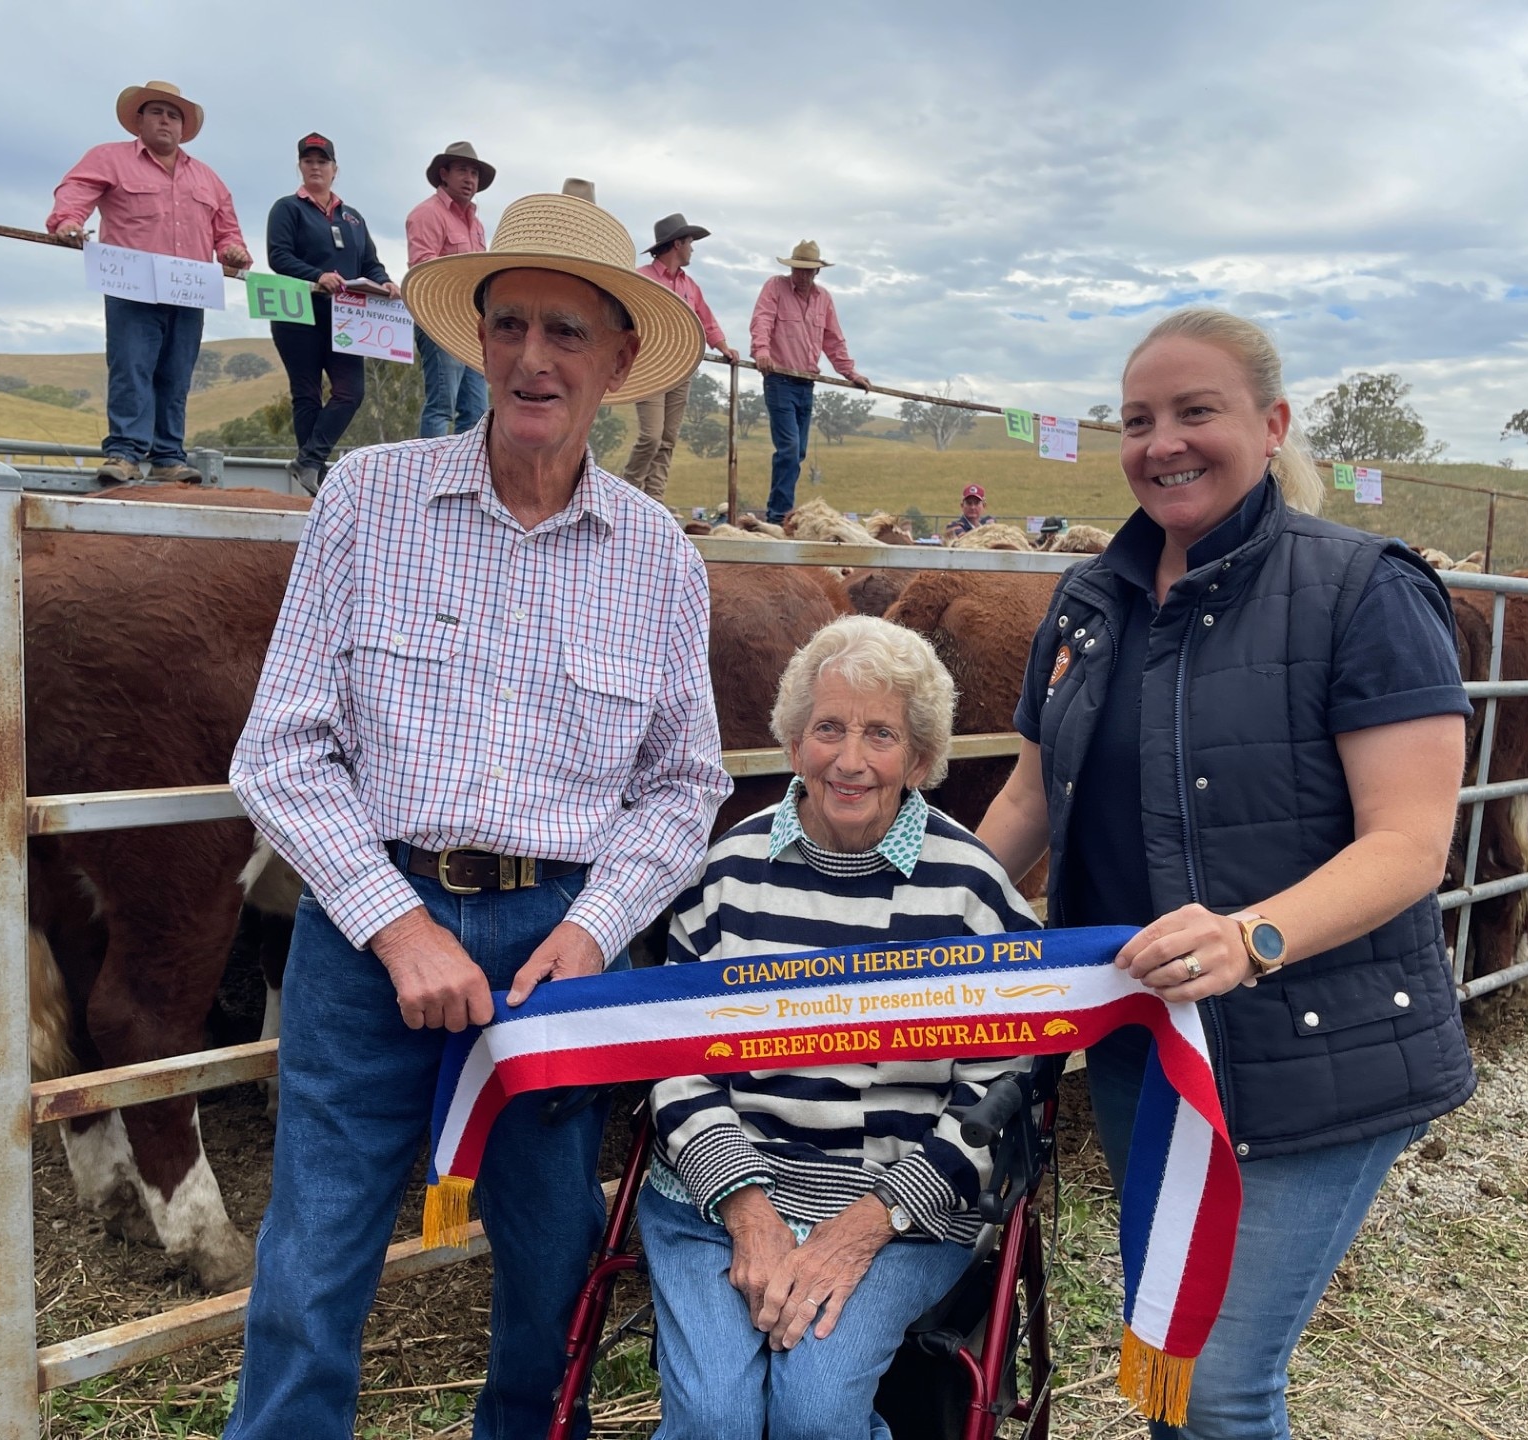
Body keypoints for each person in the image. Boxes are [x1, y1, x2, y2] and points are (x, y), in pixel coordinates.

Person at [223, 192, 730, 1440]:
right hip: (368, 923)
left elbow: (683, 784)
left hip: (554, 942)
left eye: (567, 331)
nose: (533, 357)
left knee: (552, 1258)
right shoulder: (368, 499)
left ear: (617, 362)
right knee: (315, 1252)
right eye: (510, 325)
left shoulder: (661, 555)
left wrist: (602, 927)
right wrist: (398, 928)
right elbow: (280, 747)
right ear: (479, 341)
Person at [976, 308, 1476, 1439]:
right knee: (1170, 1353)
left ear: (1273, 423)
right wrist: (877, 887)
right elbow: (1021, 802)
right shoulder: (1089, 601)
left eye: (1197, 412)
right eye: (1140, 419)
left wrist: (1250, 937)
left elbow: (1408, 842)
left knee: (1213, 1381)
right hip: (1145, 1041)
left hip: (1307, 1045)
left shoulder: (1363, 590)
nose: (1164, 443)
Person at [645, 614, 1043, 1440]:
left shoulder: (969, 890)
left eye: (881, 734)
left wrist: (866, 1226)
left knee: (817, 1414)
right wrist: (747, 1208)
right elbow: (676, 1055)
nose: (850, 759)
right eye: (828, 728)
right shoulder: (727, 871)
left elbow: (999, 1087)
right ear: (794, 742)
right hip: (718, 1195)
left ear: (923, 758)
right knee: (716, 1418)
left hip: (893, 1211)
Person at [47, 80, 251, 486]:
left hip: (190, 288)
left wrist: (233, 251)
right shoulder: (109, 158)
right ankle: (125, 452)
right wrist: (69, 221)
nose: (165, 121)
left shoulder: (208, 179)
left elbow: (227, 230)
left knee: (176, 374)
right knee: (132, 366)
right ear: (138, 120)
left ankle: (168, 455)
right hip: (131, 286)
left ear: (183, 127)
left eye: (173, 115)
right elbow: (75, 192)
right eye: (157, 112)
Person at [264, 132, 398, 494]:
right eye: (308, 161)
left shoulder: (353, 218)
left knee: (350, 391)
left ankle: (308, 460)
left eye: (322, 162)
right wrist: (316, 275)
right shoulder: (286, 208)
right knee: (306, 392)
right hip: (299, 311)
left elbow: (370, 263)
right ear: (300, 167)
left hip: (348, 316)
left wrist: (386, 283)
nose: (315, 167)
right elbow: (278, 256)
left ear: (335, 169)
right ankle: (314, 471)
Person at [622, 214, 739, 507]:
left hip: (682, 367)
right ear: (677, 244)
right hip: (650, 366)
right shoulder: (642, 277)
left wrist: (723, 346)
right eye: (690, 243)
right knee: (651, 436)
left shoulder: (690, 286)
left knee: (668, 440)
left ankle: (654, 504)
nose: (693, 249)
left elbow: (706, 319)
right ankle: (627, 495)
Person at [749, 241, 871, 524]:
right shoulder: (775, 287)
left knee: (798, 451)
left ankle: (779, 510)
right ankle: (779, 515)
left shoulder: (823, 299)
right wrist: (762, 351)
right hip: (779, 378)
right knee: (789, 448)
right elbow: (762, 320)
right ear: (791, 268)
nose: (802, 275)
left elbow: (833, 339)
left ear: (817, 272)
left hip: (806, 383)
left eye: (808, 271)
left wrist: (850, 372)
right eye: (798, 269)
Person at [405, 141, 494, 438]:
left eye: (474, 173)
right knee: (442, 404)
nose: (470, 179)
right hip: (440, 319)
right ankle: (430, 478)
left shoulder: (476, 224)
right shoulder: (427, 214)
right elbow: (423, 267)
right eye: (462, 171)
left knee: (477, 411)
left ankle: (466, 478)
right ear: (444, 174)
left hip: (470, 323)